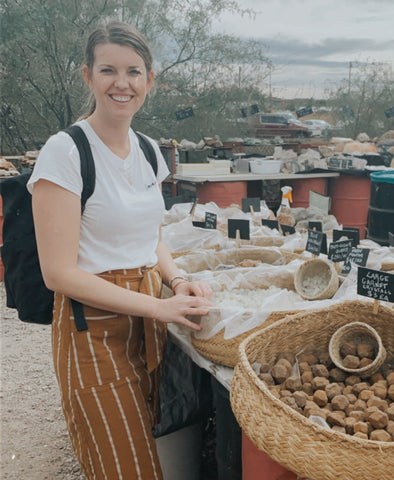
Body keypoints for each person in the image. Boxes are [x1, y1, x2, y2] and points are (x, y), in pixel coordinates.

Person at [28, 20, 213, 480]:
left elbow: (150, 239)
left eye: (133, 71)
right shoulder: (66, 153)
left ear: (150, 81)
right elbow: (59, 274)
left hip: (147, 320)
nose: (122, 83)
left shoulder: (150, 151)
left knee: (148, 447)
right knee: (124, 466)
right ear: (88, 76)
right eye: (108, 70)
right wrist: (158, 305)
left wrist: (176, 280)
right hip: (93, 326)